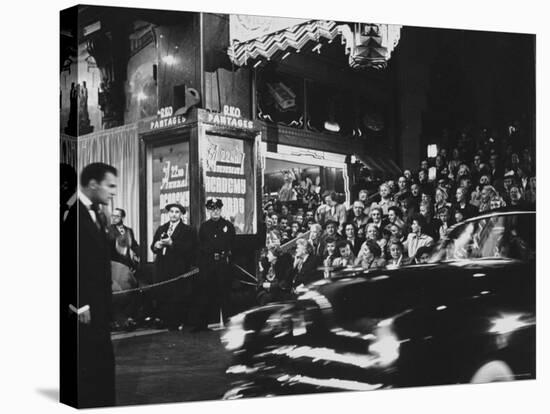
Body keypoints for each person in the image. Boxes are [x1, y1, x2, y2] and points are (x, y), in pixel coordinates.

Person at [62, 162, 117, 407]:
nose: (113, 191)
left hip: (100, 306)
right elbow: (67, 262)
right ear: (93, 184)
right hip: (84, 310)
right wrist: (80, 302)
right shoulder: (73, 216)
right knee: (89, 368)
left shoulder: (99, 214)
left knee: (101, 366)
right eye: (110, 185)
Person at [151, 203, 196, 330]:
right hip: (161, 267)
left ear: (181, 214)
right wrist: (156, 246)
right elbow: (152, 246)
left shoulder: (188, 230)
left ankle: (176, 322)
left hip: (178, 268)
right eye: (171, 211)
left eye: (177, 212)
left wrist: (172, 243)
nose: (174, 214)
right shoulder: (162, 228)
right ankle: (164, 320)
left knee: (176, 295)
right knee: (162, 293)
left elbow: (190, 249)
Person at [194, 198, 236, 331]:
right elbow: (200, 247)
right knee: (205, 294)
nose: (215, 211)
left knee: (225, 295)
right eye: (212, 209)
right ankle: (202, 324)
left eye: (217, 209)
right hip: (208, 264)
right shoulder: (204, 227)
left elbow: (233, 246)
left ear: (221, 209)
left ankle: (229, 324)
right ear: (208, 211)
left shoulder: (228, 226)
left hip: (223, 264)